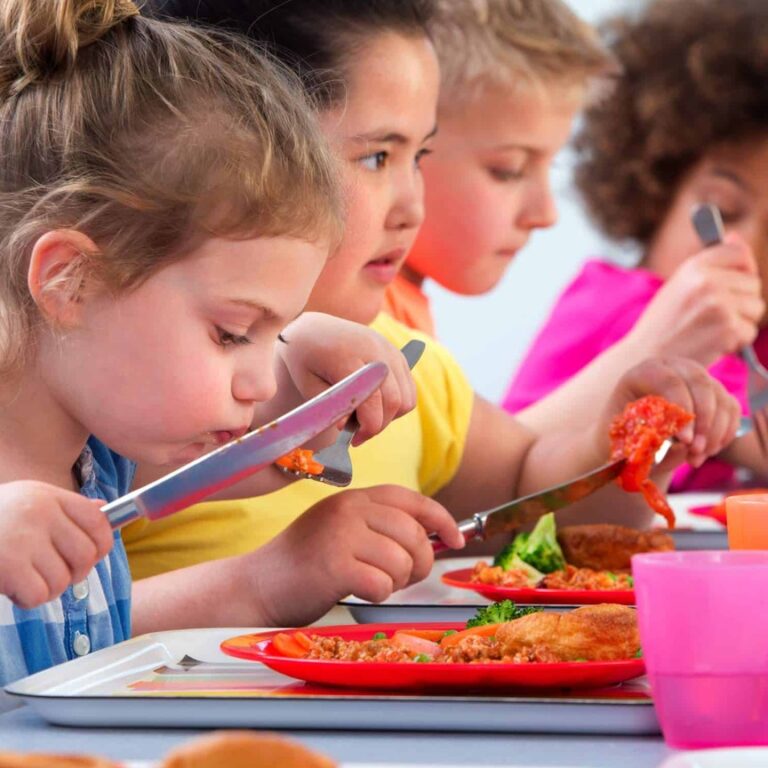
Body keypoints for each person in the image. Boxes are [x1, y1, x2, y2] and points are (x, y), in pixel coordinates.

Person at [129, 0, 742, 583]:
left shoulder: (405, 363)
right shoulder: (138, 383)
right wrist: (267, 582)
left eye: (419, 157)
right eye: (376, 158)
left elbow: (530, 503)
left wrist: (627, 445)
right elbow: (79, 627)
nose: (412, 208)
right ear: (238, 152)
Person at [0, 0, 465, 686]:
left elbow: (257, 454)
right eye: (233, 333)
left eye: (272, 330)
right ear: (71, 282)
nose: (258, 380)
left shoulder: (99, 465)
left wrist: (303, 365)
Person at [503, 0, 768, 489]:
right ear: (655, 191)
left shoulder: (754, 339)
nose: (743, 248)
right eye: (721, 210)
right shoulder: (622, 305)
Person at [383, 0, 613, 337]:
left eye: (551, 166)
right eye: (509, 170)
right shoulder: (357, 322)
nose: (546, 214)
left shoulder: (398, 310)